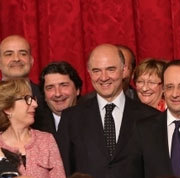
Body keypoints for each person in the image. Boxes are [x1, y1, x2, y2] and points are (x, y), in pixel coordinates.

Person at [56, 44, 159, 178]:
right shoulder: (71, 118)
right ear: (89, 72)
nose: (104, 77)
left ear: (124, 70)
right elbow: (63, 170)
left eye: (110, 69)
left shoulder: (151, 117)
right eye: (96, 71)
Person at [0, 78, 65, 177]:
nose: (35, 104)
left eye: (33, 99)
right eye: (27, 99)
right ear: (8, 108)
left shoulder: (46, 140)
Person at [32, 61, 82, 134]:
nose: (58, 94)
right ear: (44, 96)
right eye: (50, 87)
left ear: (77, 90)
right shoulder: (34, 126)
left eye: (63, 85)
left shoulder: (94, 119)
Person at [0, 35, 43, 106]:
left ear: (31, 61)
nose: (16, 59)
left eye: (23, 54)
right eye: (9, 54)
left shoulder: (47, 97)